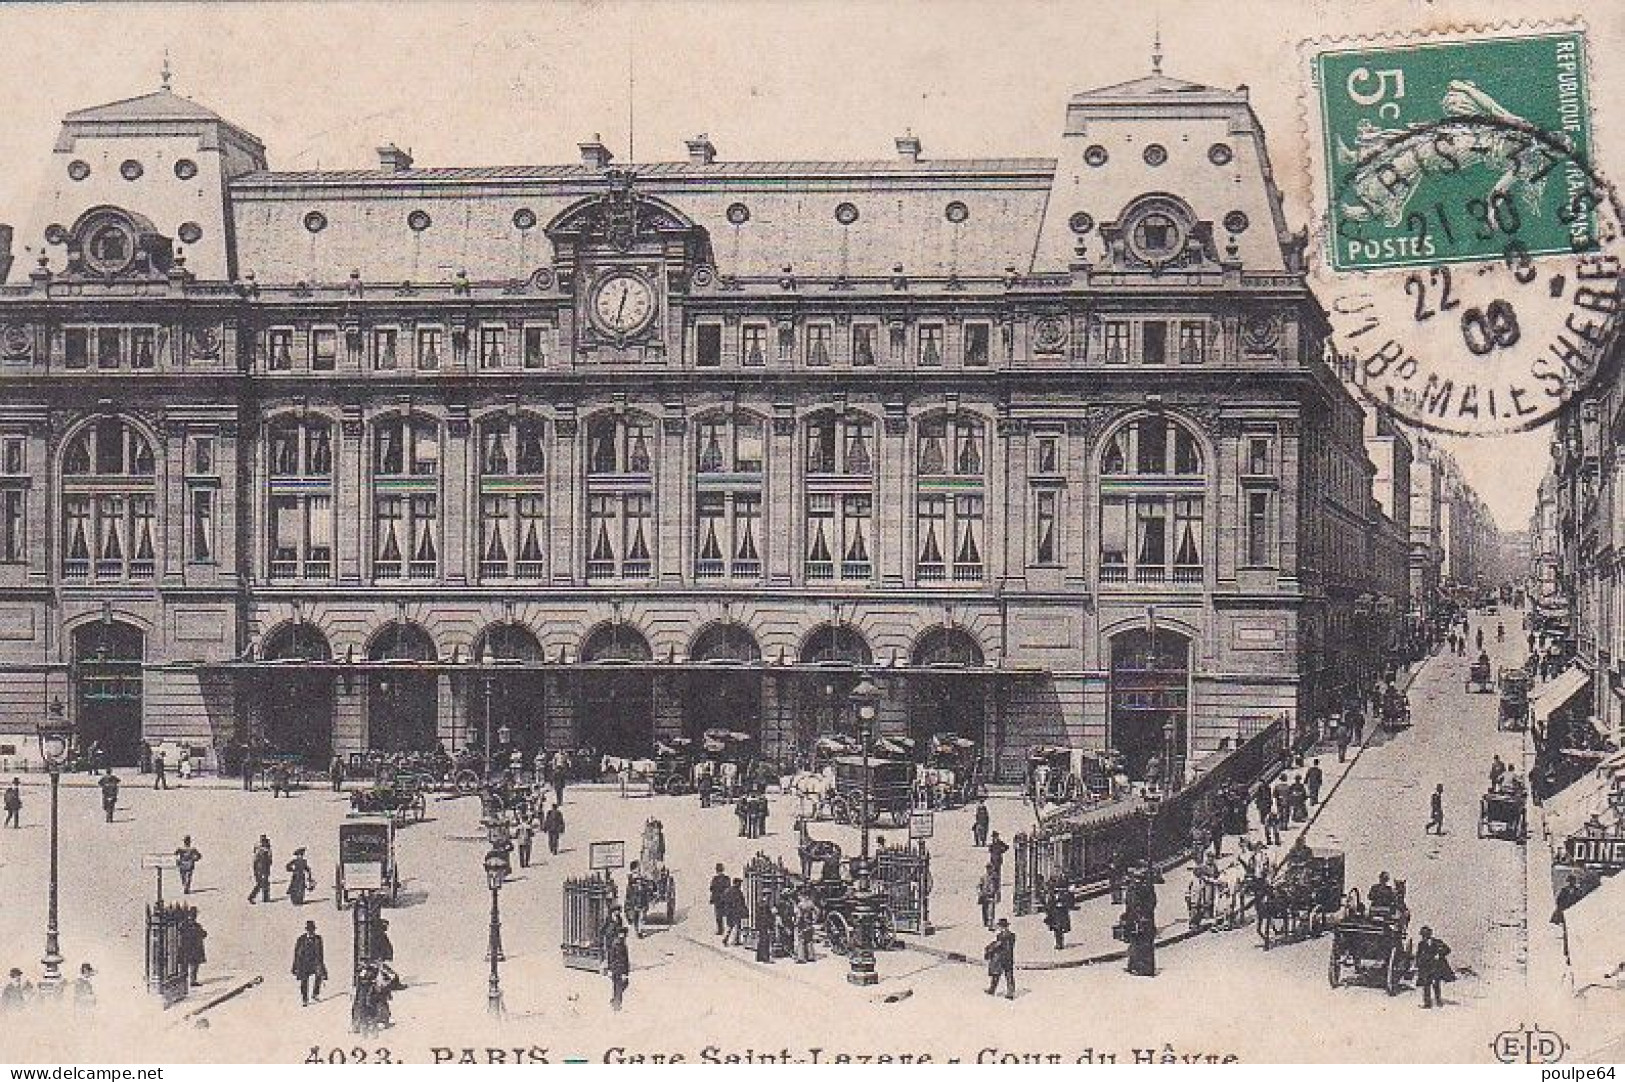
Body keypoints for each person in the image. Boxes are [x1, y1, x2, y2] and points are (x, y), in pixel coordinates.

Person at [1415, 926, 1452, 1008]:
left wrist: (1440, 954)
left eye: (1425, 935)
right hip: (1426, 967)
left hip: (1436, 966)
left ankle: (1438, 1002)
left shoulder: (1437, 942)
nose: (1423, 937)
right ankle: (1427, 1004)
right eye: (1422, 935)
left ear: (1429, 935)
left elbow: (1448, 950)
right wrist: (1418, 964)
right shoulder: (1421, 944)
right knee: (1426, 985)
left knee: (1436, 985)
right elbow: (1418, 954)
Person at [1552, 873, 1586, 962]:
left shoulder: (1578, 891)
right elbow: (1558, 901)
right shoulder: (1564, 890)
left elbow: (1581, 901)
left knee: (1574, 933)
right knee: (1566, 933)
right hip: (1566, 914)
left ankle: (1574, 950)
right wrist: (1562, 910)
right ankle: (1567, 952)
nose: (1572, 883)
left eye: (1573, 881)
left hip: (1574, 914)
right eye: (1571, 881)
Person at [292, 920, 327, 1006]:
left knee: (319, 975)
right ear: (307, 930)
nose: (311, 932)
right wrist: (295, 966)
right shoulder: (301, 939)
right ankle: (305, 999)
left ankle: (315, 994)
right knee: (304, 981)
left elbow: (321, 953)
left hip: (315, 962)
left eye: (312, 930)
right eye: (309, 930)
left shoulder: (318, 939)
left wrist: (322, 965)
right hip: (304, 963)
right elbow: (296, 953)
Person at [983, 918, 1016, 999]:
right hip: (1008, 957)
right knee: (1007, 975)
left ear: (1002, 927)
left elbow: (998, 945)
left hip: (1002, 958)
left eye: (1000, 926)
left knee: (998, 974)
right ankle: (1009, 992)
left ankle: (994, 990)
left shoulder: (1002, 936)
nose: (999, 928)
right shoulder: (1011, 935)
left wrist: (989, 949)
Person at [178, 908, 207, 987]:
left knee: (192, 965)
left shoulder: (195, 925)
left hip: (192, 948)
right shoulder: (187, 925)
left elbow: (203, 934)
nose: (193, 917)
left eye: (194, 915)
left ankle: (191, 981)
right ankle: (186, 981)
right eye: (192, 915)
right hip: (190, 947)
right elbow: (202, 934)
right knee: (187, 965)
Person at [605, 926, 631, 1012]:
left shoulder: (622, 944)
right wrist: (610, 969)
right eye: (621, 934)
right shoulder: (616, 944)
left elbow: (626, 959)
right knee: (619, 986)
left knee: (618, 986)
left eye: (624, 934)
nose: (623, 935)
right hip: (617, 969)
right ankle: (617, 1004)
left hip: (620, 969)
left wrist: (626, 972)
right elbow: (611, 958)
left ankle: (615, 1000)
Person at [1043, 881, 1074, 949]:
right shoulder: (1050, 895)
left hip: (1061, 914)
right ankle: (1058, 943)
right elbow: (1048, 905)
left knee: (1060, 929)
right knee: (1056, 929)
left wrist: (1062, 904)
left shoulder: (1063, 894)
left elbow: (1068, 902)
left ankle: (1060, 944)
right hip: (1054, 914)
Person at [625, 861, 649, 938]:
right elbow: (629, 890)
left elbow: (646, 885)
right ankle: (636, 930)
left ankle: (640, 931)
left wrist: (644, 882)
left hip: (641, 898)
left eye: (639, 868)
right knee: (635, 916)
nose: (638, 869)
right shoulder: (631, 878)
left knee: (641, 916)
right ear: (633, 869)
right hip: (634, 899)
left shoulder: (642, 877)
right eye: (637, 868)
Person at [794, 890, 818, 963]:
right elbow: (817, 911)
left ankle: (801, 958)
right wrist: (814, 919)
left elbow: (799, 916)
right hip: (810, 924)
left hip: (802, 924)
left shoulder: (800, 905)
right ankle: (811, 956)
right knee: (809, 940)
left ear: (802, 896)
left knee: (801, 940)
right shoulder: (811, 903)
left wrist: (796, 923)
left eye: (799, 896)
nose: (798, 897)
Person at [723, 878, 749, 946]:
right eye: (739, 883)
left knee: (730, 926)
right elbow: (741, 902)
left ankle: (726, 938)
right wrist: (744, 910)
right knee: (737, 926)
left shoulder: (727, 891)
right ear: (736, 883)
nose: (740, 885)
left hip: (730, 912)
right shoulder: (737, 892)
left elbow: (724, 901)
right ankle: (735, 941)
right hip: (736, 911)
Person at [249, 835, 274, 904]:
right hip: (261, 869)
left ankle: (265, 898)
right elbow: (256, 861)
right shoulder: (260, 851)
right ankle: (251, 897)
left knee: (265, 883)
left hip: (264, 869)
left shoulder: (267, 850)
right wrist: (256, 871)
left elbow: (270, 861)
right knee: (261, 884)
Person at [709, 863, 730, 936]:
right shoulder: (727, 878)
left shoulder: (715, 879)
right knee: (726, 914)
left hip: (717, 899)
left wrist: (713, 898)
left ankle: (720, 930)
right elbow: (728, 888)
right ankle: (728, 929)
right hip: (724, 899)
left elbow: (711, 888)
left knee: (718, 915)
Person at [755, 892, 776, 963]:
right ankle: (765, 958)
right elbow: (766, 917)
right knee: (765, 941)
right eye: (769, 895)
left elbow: (758, 916)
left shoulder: (760, 903)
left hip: (761, 925)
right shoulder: (765, 905)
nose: (769, 897)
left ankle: (759, 957)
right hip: (765, 925)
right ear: (766, 895)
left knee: (761, 940)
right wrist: (770, 925)